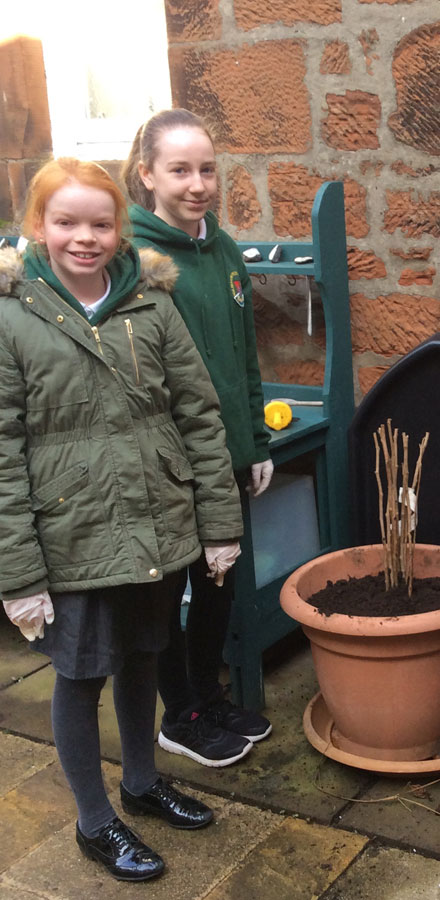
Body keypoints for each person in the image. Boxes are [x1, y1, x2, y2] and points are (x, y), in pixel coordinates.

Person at [0, 158, 244, 881]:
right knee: (80, 676)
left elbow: (198, 414)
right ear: (38, 226)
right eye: (66, 222)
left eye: (100, 224)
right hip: (68, 533)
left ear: (120, 229)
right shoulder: (12, 318)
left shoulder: (151, 305)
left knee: (143, 655)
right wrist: (18, 574)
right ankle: (94, 822)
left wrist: (218, 523)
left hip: (155, 522)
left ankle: (141, 783)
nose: (85, 237)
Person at [123, 109, 274, 768]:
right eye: (179, 170)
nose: (197, 184)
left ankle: (207, 697)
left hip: (226, 459)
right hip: (169, 463)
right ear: (147, 175)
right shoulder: (132, 258)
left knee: (219, 583)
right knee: (166, 596)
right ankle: (178, 714)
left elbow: (244, 355)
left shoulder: (227, 252)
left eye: (207, 169)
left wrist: (255, 441)